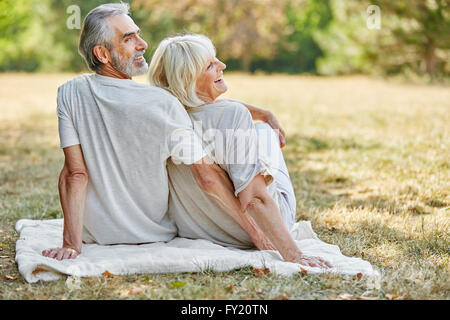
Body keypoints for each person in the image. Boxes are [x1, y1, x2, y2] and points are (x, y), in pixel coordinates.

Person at [41, 3, 274, 261]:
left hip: (96, 235)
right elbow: (207, 177)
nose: (142, 44)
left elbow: (75, 174)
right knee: (264, 135)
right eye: (129, 39)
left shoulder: (69, 93)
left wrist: (70, 244)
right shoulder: (161, 101)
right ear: (102, 54)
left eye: (138, 34)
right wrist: (260, 237)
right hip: (153, 233)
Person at [148, 34, 332, 268]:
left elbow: (206, 108)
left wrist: (264, 113)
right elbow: (254, 198)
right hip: (258, 232)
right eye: (210, 65)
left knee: (257, 128)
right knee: (265, 133)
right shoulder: (233, 116)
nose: (222, 65)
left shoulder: (164, 116)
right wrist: (293, 254)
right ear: (189, 79)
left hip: (201, 230)